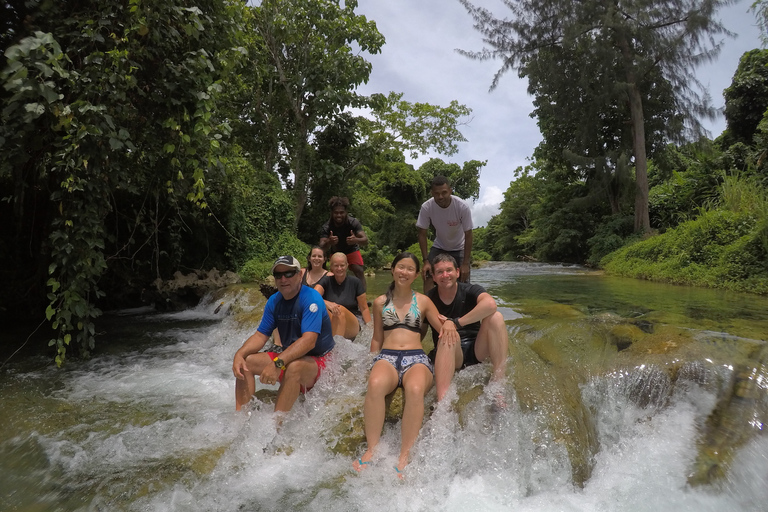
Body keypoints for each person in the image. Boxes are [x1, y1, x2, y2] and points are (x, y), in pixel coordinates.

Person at [354, 252, 458, 475]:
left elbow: (443, 329)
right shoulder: (381, 302)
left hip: (416, 359)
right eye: (400, 267)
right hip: (388, 357)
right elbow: (377, 337)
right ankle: (372, 449)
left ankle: (405, 455)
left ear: (417, 274)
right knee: (375, 384)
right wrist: (370, 361)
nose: (404, 272)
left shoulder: (424, 301)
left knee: (415, 388)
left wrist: (449, 324)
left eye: (410, 269)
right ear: (392, 270)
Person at [232, 256, 335, 412]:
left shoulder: (311, 299)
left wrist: (277, 363)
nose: (283, 279)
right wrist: (239, 354)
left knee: (293, 367)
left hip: (321, 361)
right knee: (246, 362)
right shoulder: (274, 301)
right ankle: (240, 418)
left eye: (289, 273)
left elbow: (309, 341)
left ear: (300, 275)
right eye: (278, 275)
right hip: (290, 357)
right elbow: (260, 336)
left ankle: (276, 427)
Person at [424, 253, 508, 402]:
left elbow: (490, 305)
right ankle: (443, 403)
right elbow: (420, 331)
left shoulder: (470, 290)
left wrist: (455, 322)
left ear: (457, 272)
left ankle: (498, 383)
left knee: (496, 317)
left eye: (449, 270)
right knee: (447, 335)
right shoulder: (428, 299)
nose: (445, 275)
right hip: (451, 353)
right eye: (439, 272)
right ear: (434, 277)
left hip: (477, 349)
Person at [416, 175, 474, 292]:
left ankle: (462, 308)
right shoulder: (427, 207)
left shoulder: (462, 206)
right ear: (432, 193)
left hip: (459, 247)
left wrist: (465, 263)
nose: (440, 196)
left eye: (444, 193)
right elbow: (422, 233)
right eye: (437, 194)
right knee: (428, 274)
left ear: (450, 191)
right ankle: (428, 307)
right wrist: (426, 261)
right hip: (439, 246)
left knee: (463, 278)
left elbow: (468, 234)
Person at [313, 252, 371, 339]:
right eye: (336, 266)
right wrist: (327, 303)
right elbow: (313, 296)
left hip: (352, 322)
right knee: (318, 306)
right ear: (331, 267)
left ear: (347, 265)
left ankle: (336, 348)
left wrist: (370, 329)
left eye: (342, 265)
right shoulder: (326, 280)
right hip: (333, 318)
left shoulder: (355, 282)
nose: (339, 268)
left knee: (339, 310)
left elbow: (364, 308)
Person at [319, 196, 368, 290]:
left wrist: (356, 240)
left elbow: (365, 240)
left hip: (351, 250)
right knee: (334, 273)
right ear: (332, 213)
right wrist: (329, 241)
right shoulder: (327, 226)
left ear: (346, 212)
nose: (339, 215)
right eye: (336, 213)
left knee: (359, 270)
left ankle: (362, 297)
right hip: (336, 252)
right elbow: (321, 247)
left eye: (341, 212)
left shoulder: (353, 223)